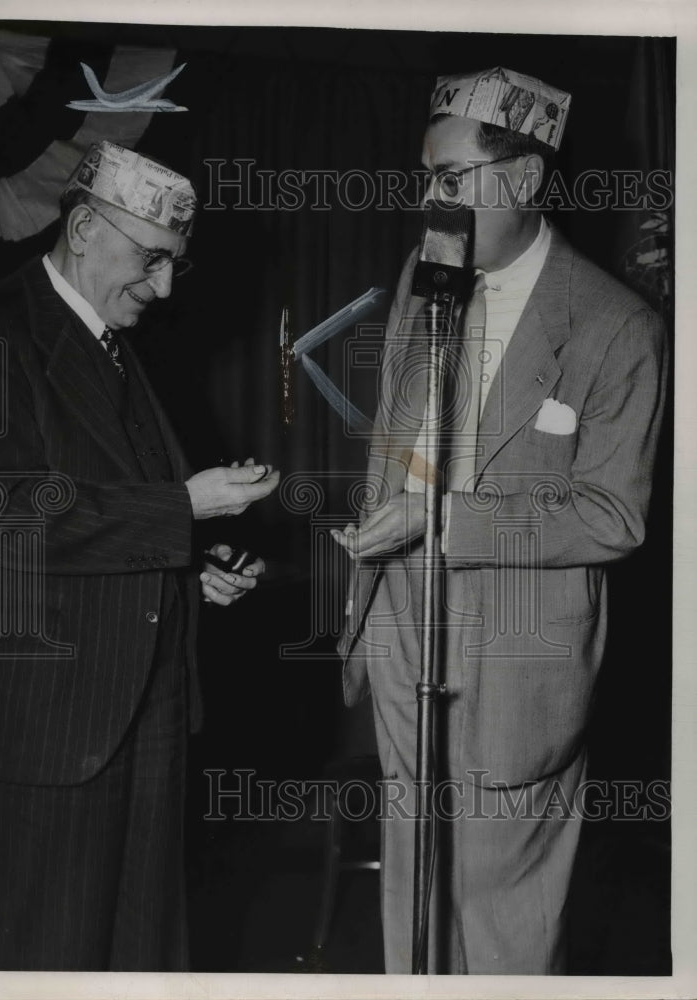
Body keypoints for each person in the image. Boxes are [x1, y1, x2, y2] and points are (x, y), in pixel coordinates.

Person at [332, 68, 668, 974]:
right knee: (411, 889)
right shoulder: (425, 269)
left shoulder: (615, 326)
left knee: (500, 909)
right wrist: (370, 564)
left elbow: (612, 517)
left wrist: (437, 518)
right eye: (424, 176)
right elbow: (395, 431)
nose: (427, 201)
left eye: (448, 180)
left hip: (519, 650)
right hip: (404, 619)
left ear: (520, 182)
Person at [0, 140, 280, 971]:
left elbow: (104, 505)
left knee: (138, 957)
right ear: (86, 228)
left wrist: (188, 566)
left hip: (145, 718)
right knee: (41, 956)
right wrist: (184, 505)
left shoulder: (113, 341)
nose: (164, 287)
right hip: (50, 732)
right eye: (150, 259)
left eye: (176, 265)